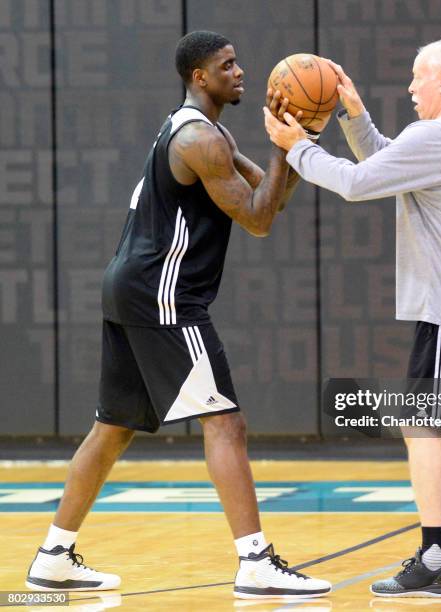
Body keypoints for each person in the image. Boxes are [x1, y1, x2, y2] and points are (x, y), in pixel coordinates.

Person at [26, 31, 331, 600]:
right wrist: (290, 145)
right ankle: (255, 562)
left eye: (238, 61)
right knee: (225, 421)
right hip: (161, 294)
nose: (240, 72)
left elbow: (269, 195)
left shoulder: (208, 130)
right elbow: (260, 221)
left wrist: (290, 142)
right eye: (227, 65)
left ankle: (53, 556)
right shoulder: (199, 139)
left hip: (131, 288)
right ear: (200, 77)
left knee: (112, 429)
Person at [264, 39, 441, 597]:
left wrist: (296, 145)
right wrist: (355, 114)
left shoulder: (438, 136)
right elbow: (385, 160)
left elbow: (356, 183)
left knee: (419, 424)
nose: (410, 87)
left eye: (417, 78)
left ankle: (434, 558)